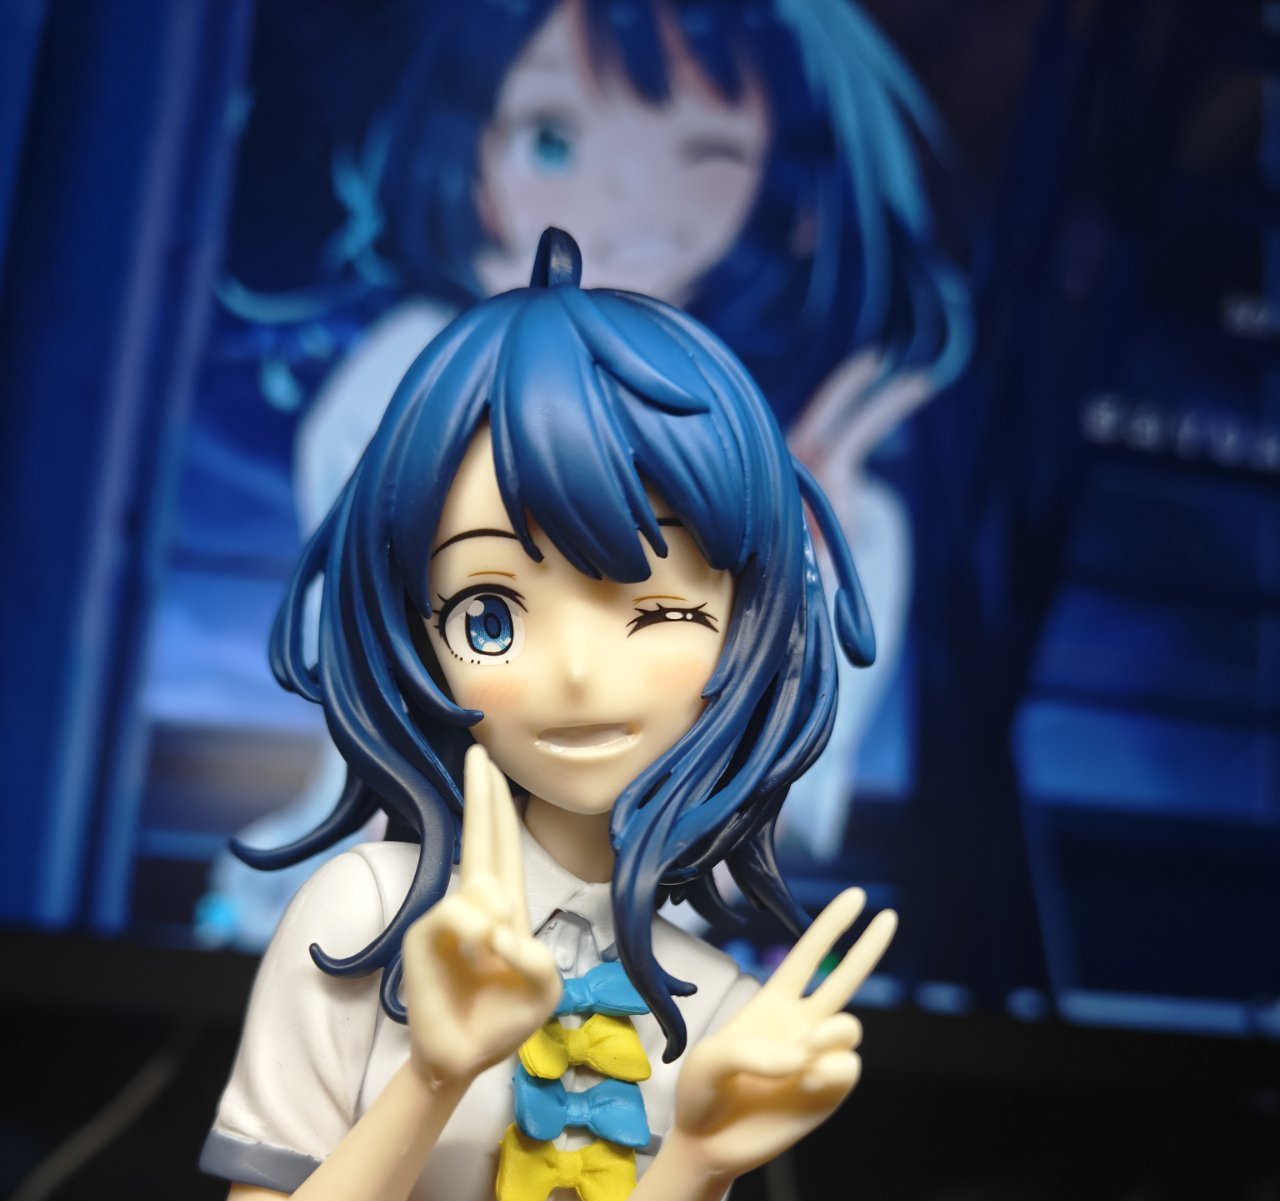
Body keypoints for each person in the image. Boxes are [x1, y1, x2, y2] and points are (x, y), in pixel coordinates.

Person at [70, 229, 896, 1201]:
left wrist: (701, 1156)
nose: (575, 674)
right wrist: (433, 1072)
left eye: (656, 609)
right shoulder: (356, 919)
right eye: (496, 611)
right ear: (420, 624)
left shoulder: (705, 1009)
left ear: (743, 628)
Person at [199, 0, 968, 949]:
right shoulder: (415, 378)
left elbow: (765, 825)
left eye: (704, 157)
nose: (628, 194)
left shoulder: (823, 503)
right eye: (555, 138)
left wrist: (793, 566)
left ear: (787, 194)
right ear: (467, 148)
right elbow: (410, 710)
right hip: (384, 928)